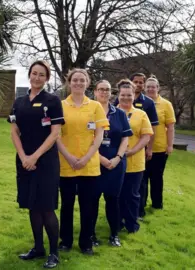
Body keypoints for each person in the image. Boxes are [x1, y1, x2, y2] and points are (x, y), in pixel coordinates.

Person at [8, 60, 64, 269]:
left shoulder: (53, 101)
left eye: (42, 74)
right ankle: (38, 248)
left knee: (46, 207)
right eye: (34, 73)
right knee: (32, 205)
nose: (37, 77)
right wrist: (24, 156)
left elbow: (55, 133)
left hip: (46, 161)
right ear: (29, 75)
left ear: (47, 78)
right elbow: (14, 131)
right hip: (24, 160)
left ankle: (54, 253)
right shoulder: (19, 102)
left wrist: (34, 157)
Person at [56, 69, 108, 255]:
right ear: (69, 83)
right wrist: (69, 157)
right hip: (66, 164)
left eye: (82, 80)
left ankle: (86, 242)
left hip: (90, 165)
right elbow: (56, 135)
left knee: (89, 207)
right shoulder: (60, 105)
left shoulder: (95, 106)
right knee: (67, 206)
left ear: (87, 83)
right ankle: (66, 241)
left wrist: (86, 158)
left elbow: (99, 136)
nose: (78, 83)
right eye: (75, 80)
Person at [92, 80, 132, 247]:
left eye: (107, 90)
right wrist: (100, 158)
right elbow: (86, 139)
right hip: (94, 161)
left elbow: (125, 138)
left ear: (111, 93)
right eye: (101, 89)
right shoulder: (89, 111)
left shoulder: (120, 113)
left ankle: (114, 235)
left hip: (115, 163)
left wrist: (117, 158)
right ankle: (91, 235)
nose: (104, 92)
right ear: (95, 92)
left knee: (113, 200)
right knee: (92, 200)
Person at [117, 79, 153, 233]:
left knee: (132, 195)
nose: (126, 98)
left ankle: (132, 224)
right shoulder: (112, 112)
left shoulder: (141, 114)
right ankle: (117, 224)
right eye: (123, 95)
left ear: (134, 96)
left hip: (135, 162)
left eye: (129, 95)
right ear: (118, 95)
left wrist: (133, 151)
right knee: (116, 195)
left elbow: (146, 136)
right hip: (116, 161)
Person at [141, 76, 175, 212]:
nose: (150, 89)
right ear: (144, 88)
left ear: (158, 88)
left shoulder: (166, 104)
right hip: (141, 147)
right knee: (142, 178)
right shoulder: (140, 102)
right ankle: (140, 205)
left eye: (153, 86)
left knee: (156, 177)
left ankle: (157, 204)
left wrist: (170, 145)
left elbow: (171, 127)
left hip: (159, 148)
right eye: (148, 86)